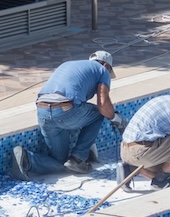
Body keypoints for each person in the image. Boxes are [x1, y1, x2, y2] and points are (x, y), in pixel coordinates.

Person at [10, 51, 127, 180]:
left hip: (43, 110)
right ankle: (78, 158)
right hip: (65, 110)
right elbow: (103, 105)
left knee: (61, 161)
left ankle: (27, 159)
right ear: (106, 65)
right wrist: (116, 118)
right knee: (99, 114)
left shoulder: (69, 65)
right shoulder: (102, 70)